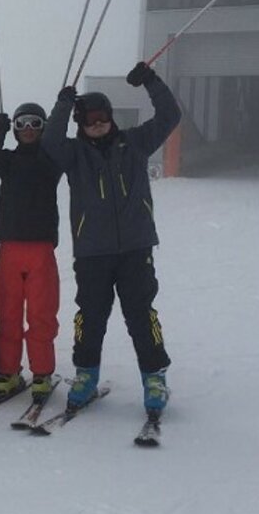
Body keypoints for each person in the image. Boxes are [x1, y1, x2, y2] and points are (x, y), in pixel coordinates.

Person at [41, 62, 182, 417]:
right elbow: (49, 141)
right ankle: (86, 375)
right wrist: (62, 104)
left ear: (111, 116)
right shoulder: (74, 155)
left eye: (102, 116)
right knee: (90, 316)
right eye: (89, 119)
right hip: (92, 251)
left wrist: (150, 81)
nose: (98, 123)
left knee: (139, 313)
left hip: (135, 247)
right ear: (81, 123)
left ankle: (154, 376)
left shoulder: (134, 143)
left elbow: (169, 115)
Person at [0, 101, 64, 402]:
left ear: (43, 127)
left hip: (41, 248)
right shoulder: (7, 161)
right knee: (7, 311)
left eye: (34, 123)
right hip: (9, 247)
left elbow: (58, 138)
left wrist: (64, 105)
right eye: (21, 124)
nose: (28, 129)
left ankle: (42, 372)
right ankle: (7, 371)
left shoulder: (50, 160)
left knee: (41, 312)